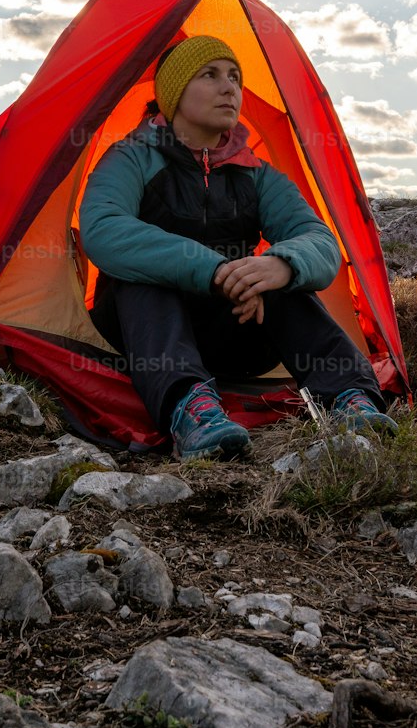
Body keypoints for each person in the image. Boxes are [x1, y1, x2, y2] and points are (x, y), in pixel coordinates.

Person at [79, 34, 398, 459]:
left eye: (234, 77)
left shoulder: (257, 174)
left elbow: (319, 239)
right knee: (138, 277)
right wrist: (215, 271)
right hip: (145, 335)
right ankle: (190, 411)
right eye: (209, 75)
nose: (229, 87)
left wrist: (280, 266)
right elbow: (103, 229)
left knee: (283, 276)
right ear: (173, 93)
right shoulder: (131, 157)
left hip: (235, 329)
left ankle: (351, 400)